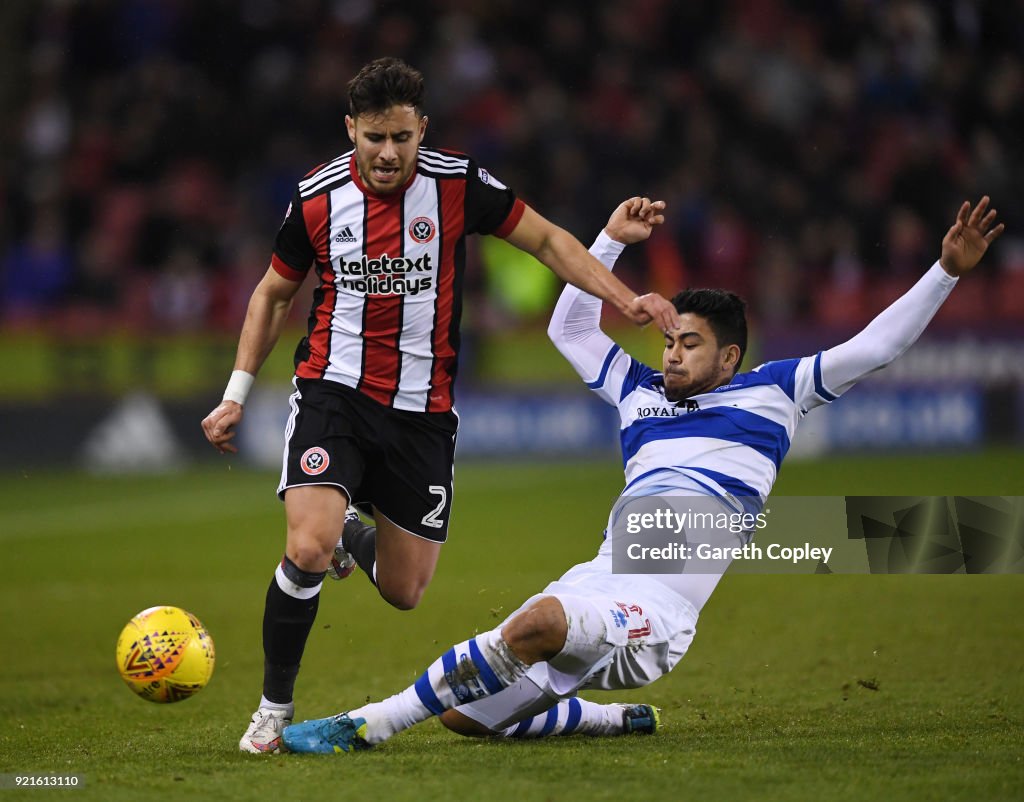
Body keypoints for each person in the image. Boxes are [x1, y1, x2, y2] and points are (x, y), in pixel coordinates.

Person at [279, 195, 1003, 753]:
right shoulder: (639, 393)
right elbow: (569, 329)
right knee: (470, 717)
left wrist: (945, 272)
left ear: (729, 359)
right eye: (669, 339)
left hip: (659, 614)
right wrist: (611, 243)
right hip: (601, 573)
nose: (673, 354)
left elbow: (875, 345)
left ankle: (365, 725)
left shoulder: (776, 391)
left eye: (690, 344)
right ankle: (607, 719)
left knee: (532, 627)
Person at [199, 58, 679, 754]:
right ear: (350, 132)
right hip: (334, 390)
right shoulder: (316, 198)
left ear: (422, 129)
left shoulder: (458, 184)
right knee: (303, 545)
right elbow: (274, 294)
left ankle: (345, 540)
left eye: (401, 137)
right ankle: (273, 710)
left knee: (404, 589)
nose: (388, 153)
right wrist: (235, 393)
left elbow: (545, 239)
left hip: (423, 412)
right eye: (373, 138)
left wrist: (622, 298)